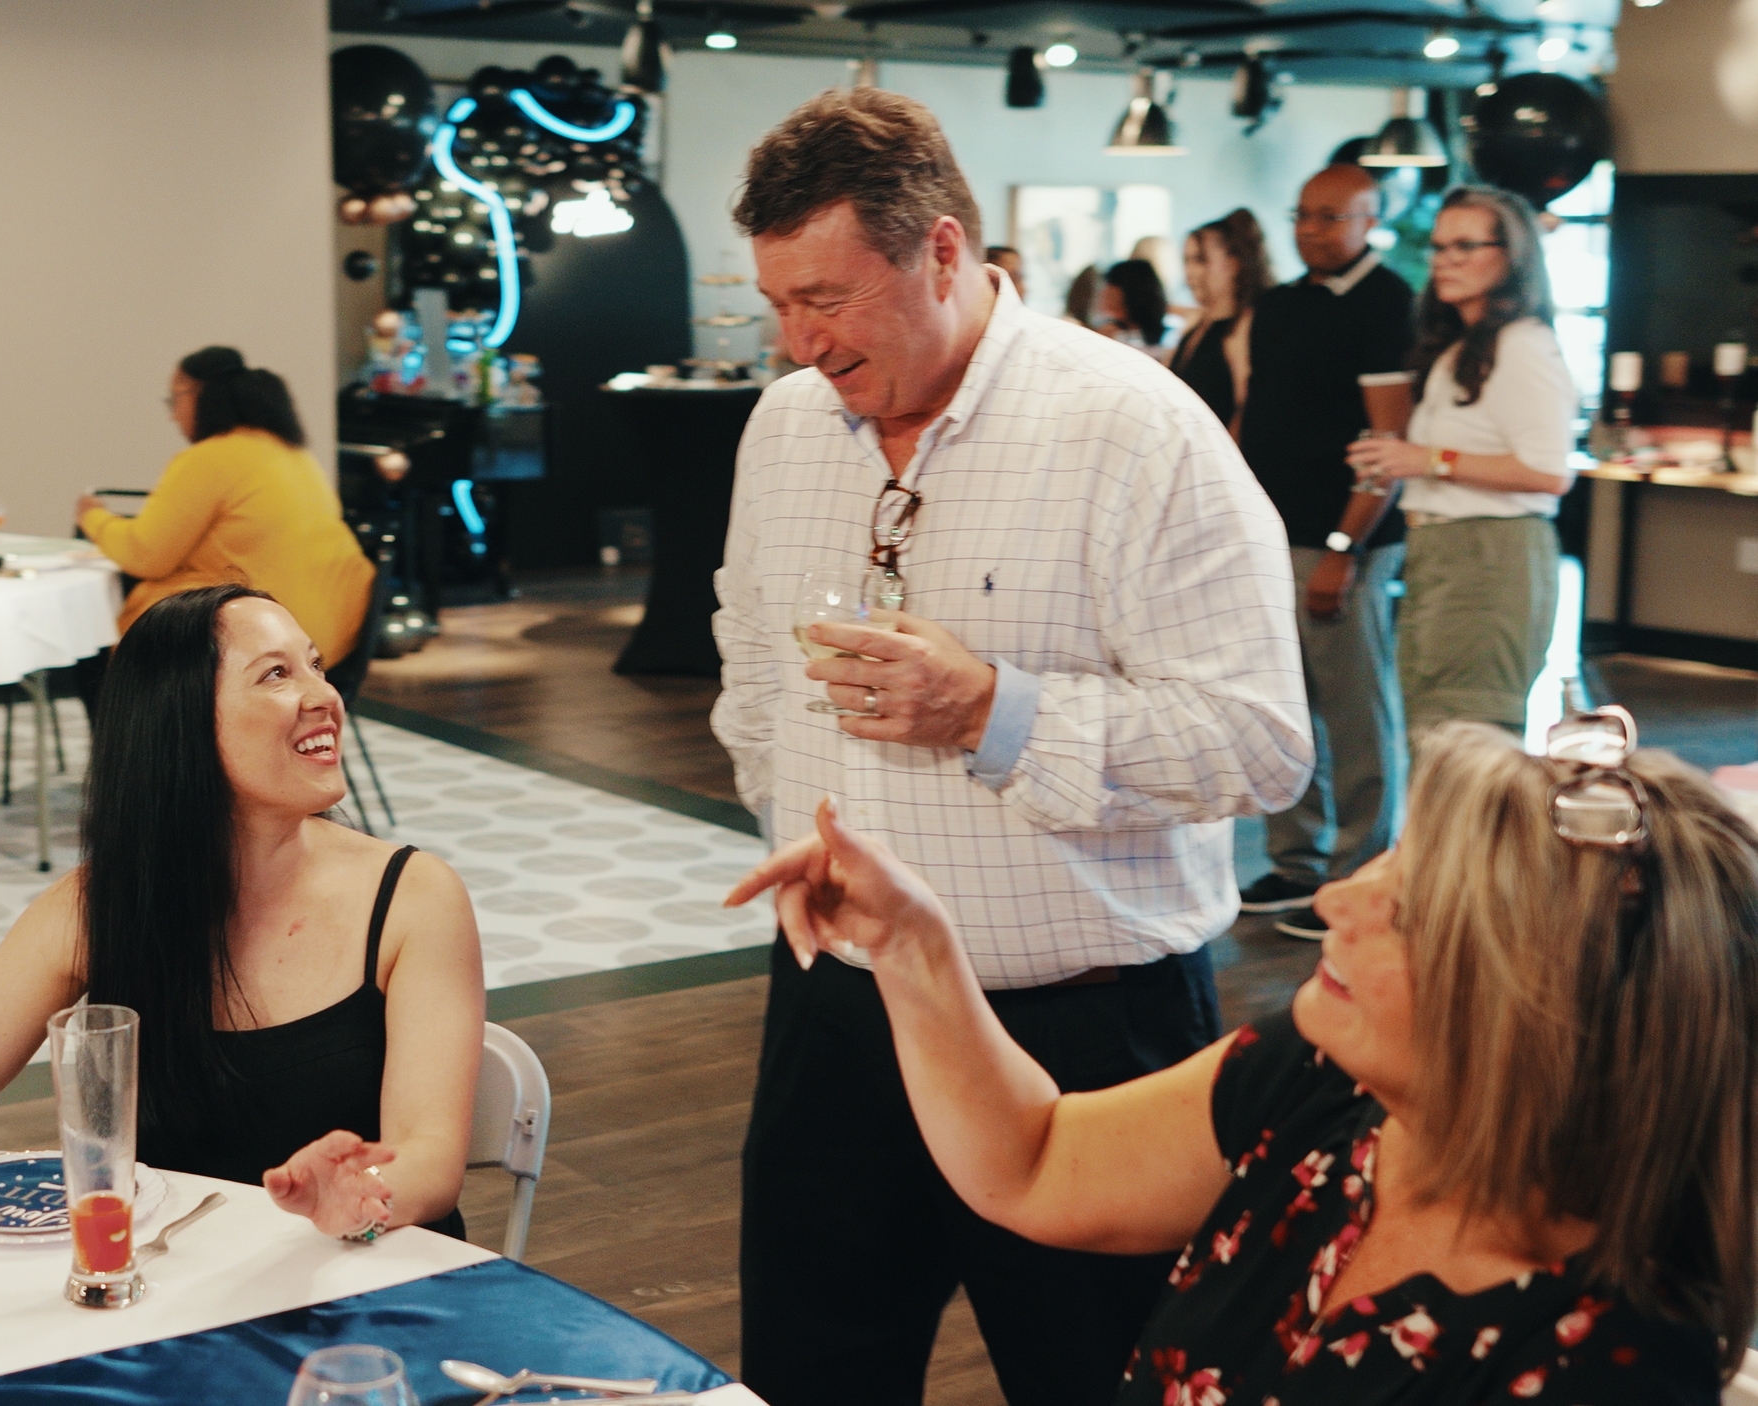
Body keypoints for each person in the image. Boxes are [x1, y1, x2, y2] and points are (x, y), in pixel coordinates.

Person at [714, 87, 1311, 1406]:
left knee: (1099, 1377)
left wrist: (995, 711)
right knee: (813, 1373)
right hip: (841, 1008)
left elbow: (1263, 747)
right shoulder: (782, 428)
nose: (798, 340)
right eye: (776, 303)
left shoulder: (1134, 430)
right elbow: (751, 661)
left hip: (1089, 1027)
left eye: (825, 297)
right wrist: (788, 824)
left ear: (940, 251)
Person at [727, 706, 1752, 1404]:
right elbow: (1037, 1159)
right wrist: (914, 940)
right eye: (1375, 863)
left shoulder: (1606, 1354)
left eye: (1407, 914)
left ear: (1532, 1014)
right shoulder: (1321, 1083)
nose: (1332, 902)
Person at [0, 584, 483, 1253]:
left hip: (371, 1276)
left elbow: (429, 1156)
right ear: (182, 725)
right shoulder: (100, 906)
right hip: (182, 1287)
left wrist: (360, 1197)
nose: (323, 694)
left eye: (315, 666)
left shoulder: (414, 897)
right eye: (277, 674)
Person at [1236, 165, 1420, 941]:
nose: (1312, 229)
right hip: (1272, 535)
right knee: (1286, 708)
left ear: (1369, 220)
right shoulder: (1278, 304)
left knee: (1355, 715)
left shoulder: (1387, 303)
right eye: (1303, 215)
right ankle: (1296, 861)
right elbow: (1256, 417)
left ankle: (1360, 872)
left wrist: (1347, 545)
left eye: (1331, 217)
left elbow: (1389, 442)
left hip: (1345, 539)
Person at [1348, 186, 1576, 740]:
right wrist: (1400, 461)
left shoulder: (1523, 344)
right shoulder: (1463, 345)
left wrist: (1427, 458)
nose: (1444, 261)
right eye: (1439, 247)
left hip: (1491, 555)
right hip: (1446, 551)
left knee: (1464, 744)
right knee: (1432, 733)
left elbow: (1549, 473)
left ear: (1511, 255)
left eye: (1465, 246)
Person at [77, 347, 376, 669]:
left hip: (255, 638)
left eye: (174, 399)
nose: (172, 414)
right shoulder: (295, 454)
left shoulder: (209, 458)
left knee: (91, 639)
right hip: (328, 635)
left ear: (200, 395)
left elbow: (146, 555)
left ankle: (115, 719)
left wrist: (93, 517)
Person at [1171, 210, 1275, 428]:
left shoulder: (1244, 328)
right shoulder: (1196, 324)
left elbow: (1243, 410)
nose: (1190, 272)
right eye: (1186, 261)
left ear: (1234, 263)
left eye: (1200, 260)